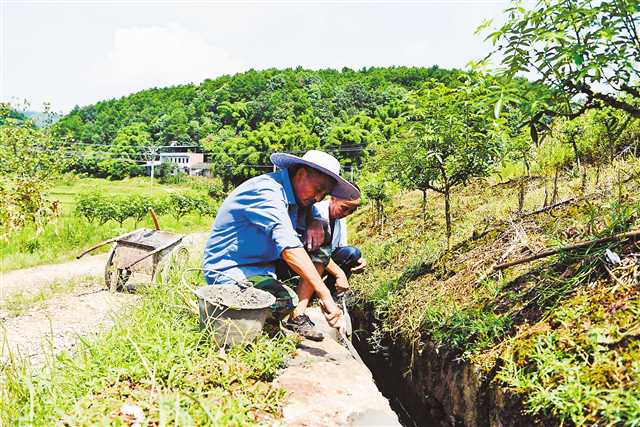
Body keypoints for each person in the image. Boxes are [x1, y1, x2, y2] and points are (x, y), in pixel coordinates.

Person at [202, 150, 360, 341]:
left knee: (322, 236)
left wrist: (317, 220)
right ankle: (269, 323)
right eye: (317, 190)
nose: (318, 199)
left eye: (323, 194)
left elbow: (314, 224)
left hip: (265, 268)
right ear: (301, 174)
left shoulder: (301, 200)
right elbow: (289, 248)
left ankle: (297, 316)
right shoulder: (267, 192)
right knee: (283, 302)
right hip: (231, 270)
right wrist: (324, 293)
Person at [307, 195, 367, 296]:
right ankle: (315, 292)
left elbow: (342, 248)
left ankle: (328, 294)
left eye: (351, 211)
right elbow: (316, 252)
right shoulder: (316, 211)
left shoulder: (339, 216)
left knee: (353, 254)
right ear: (333, 198)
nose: (346, 213)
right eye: (344, 208)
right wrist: (340, 273)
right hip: (309, 259)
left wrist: (358, 260)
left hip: (324, 259)